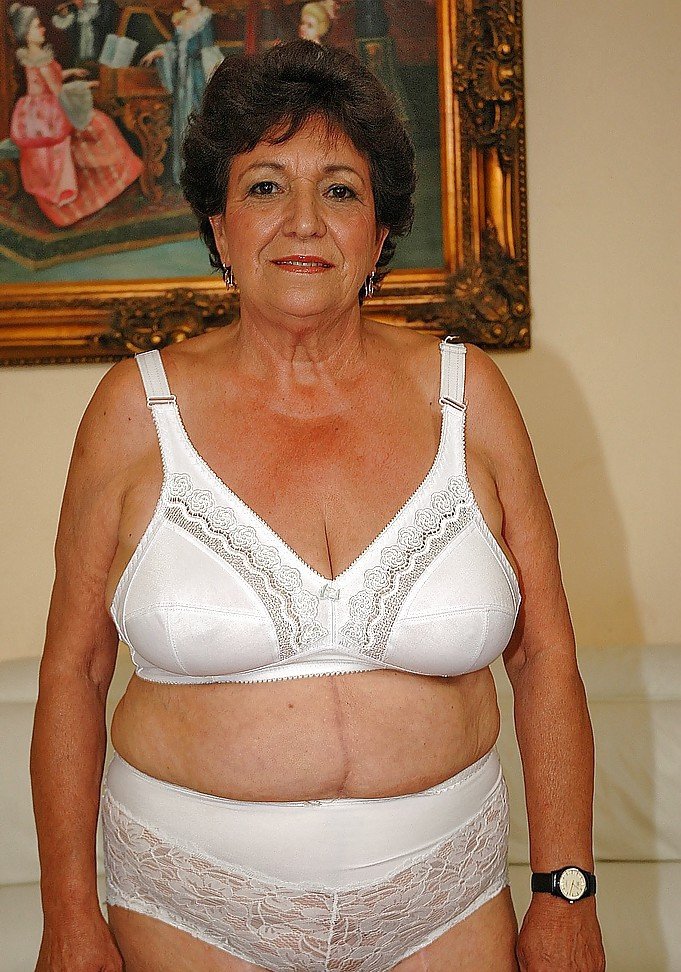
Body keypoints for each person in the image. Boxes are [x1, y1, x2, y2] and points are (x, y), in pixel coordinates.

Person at [31, 38, 605, 972]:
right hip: (188, 913)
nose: (302, 221)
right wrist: (67, 916)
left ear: (379, 234)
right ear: (220, 229)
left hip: (446, 906)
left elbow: (544, 658)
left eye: (339, 190)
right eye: (264, 187)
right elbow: (74, 671)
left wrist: (565, 890)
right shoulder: (133, 412)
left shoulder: (472, 397)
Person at [8, 3, 142, 227]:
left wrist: (71, 72)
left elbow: (51, 77)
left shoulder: (34, 56)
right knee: (102, 123)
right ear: (26, 34)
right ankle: (116, 174)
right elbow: (58, 92)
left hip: (38, 112)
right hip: (48, 116)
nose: (42, 29)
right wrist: (85, 85)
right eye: (36, 26)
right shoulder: (39, 59)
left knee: (97, 121)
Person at [140, 0, 221, 186]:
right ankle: (185, 173)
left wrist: (212, 79)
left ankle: (203, 175)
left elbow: (208, 50)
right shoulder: (182, 19)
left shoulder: (205, 18)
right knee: (182, 122)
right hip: (182, 80)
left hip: (198, 78)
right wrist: (157, 53)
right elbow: (174, 47)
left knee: (198, 120)